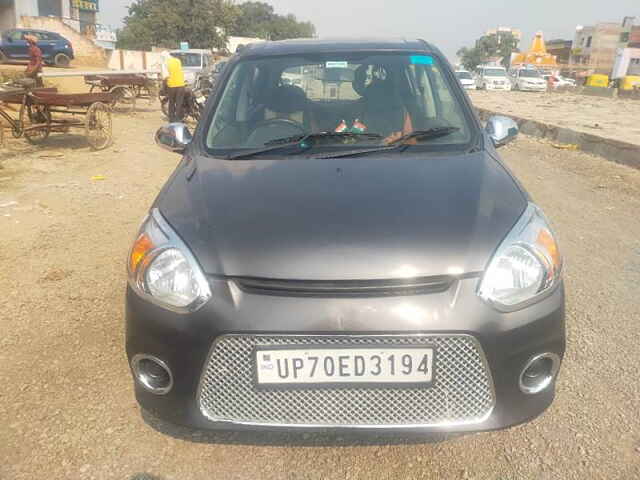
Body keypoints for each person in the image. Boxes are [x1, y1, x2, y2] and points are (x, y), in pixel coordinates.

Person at [161, 51, 186, 122]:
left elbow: (165, 77)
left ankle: (172, 120)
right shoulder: (177, 61)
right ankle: (178, 119)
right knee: (179, 103)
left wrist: (163, 87)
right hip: (181, 85)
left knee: (171, 103)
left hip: (172, 86)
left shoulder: (165, 63)